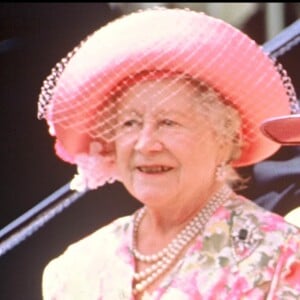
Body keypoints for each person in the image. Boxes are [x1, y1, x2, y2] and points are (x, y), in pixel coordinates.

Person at [38, 8, 300, 299]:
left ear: (226, 138)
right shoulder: (78, 265)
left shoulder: (280, 254)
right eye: (130, 123)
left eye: (168, 123)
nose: (146, 144)